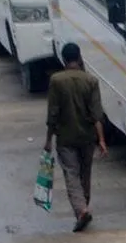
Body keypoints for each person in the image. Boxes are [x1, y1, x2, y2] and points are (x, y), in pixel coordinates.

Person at [44, 43, 108, 233]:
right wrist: (102, 140)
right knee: (84, 174)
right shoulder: (91, 81)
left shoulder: (56, 80)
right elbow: (97, 115)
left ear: (63, 59)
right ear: (80, 58)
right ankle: (83, 208)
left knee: (71, 175)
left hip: (65, 138)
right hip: (87, 137)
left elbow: (52, 114)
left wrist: (48, 140)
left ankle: (81, 210)